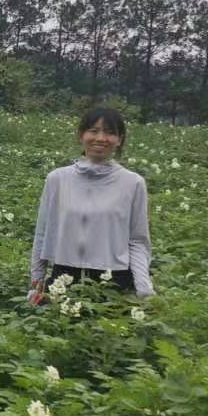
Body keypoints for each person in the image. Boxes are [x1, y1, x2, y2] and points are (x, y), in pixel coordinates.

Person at [29, 107, 153, 301]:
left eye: (109, 133)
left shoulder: (133, 183)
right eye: (93, 131)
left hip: (114, 283)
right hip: (64, 280)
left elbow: (138, 240)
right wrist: (36, 281)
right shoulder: (57, 179)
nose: (101, 138)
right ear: (81, 135)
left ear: (119, 139)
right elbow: (43, 234)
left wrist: (144, 289)